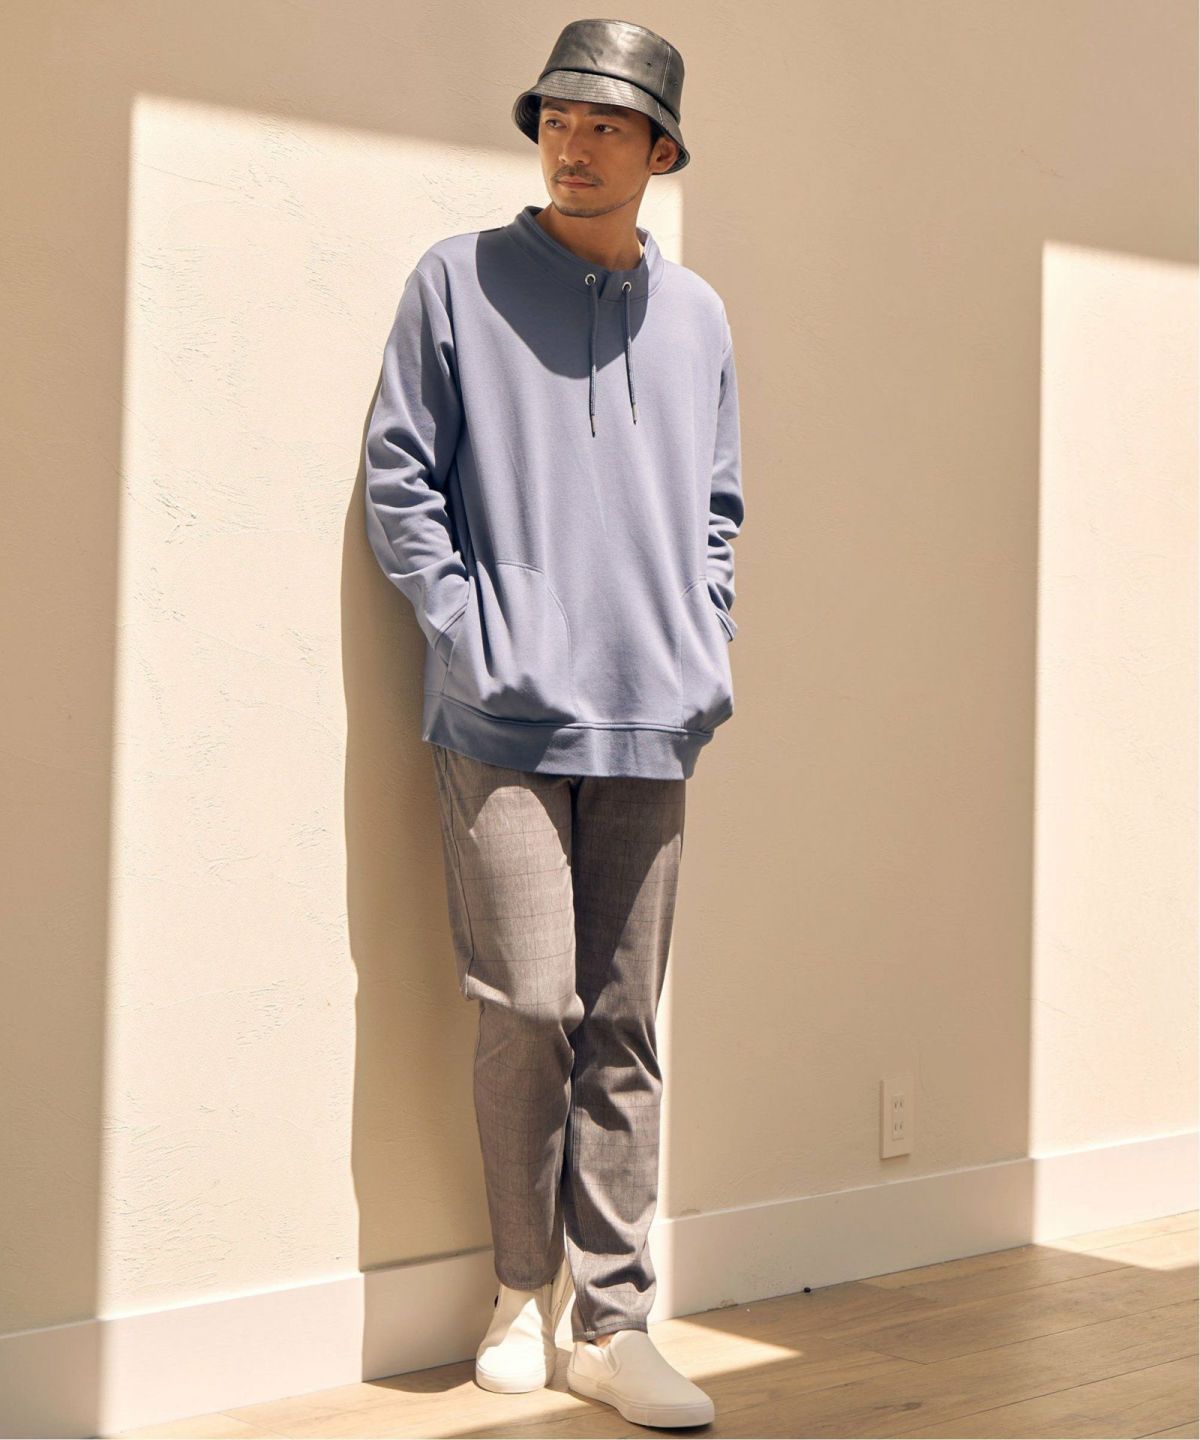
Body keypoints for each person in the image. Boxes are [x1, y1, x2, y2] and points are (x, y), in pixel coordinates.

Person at [363, 17, 743, 1429]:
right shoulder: (456, 281)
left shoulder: (697, 318)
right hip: (503, 721)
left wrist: (704, 641)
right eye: (557, 121)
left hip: (656, 713)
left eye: (605, 125)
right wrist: (475, 642)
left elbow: (719, 510)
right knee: (530, 1008)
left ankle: (616, 1322)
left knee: (626, 1024)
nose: (572, 147)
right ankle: (522, 1291)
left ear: (660, 151)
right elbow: (400, 481)